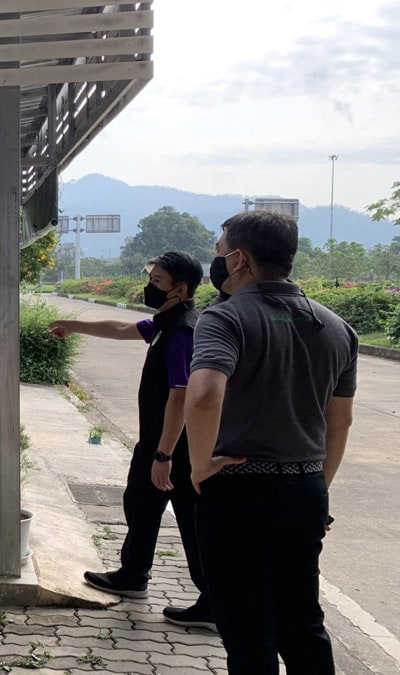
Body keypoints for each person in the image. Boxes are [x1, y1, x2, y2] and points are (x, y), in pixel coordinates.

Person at [186, 210, 356, 674]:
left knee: (247, 629)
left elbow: (202, 397)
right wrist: (316, 487)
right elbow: (339, 423)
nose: (217, 262)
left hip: (238, 490)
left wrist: (199, 466)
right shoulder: (338, 328)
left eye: (220, 253)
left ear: (240, 259)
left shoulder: (225, 318)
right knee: (302, 622)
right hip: (304, 491)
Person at [49, 251, 213, 629]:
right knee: (140, 503)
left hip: (174, 449)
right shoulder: (164, 322)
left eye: (157, 282)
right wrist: (73, 325)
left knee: (191, 520)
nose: (149, 287)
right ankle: (133, 574)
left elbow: (181, 395)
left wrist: (164, 454)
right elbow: (122, 329)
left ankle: (214, 600)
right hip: (158, 444)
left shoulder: (183, 331)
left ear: (181, 288)